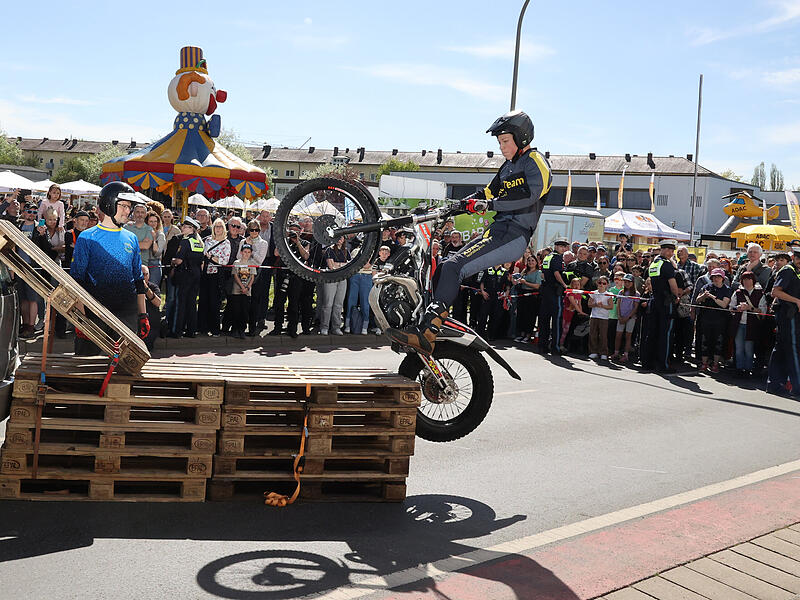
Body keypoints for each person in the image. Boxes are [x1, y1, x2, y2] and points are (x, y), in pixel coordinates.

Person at [389, 110, 551, 354]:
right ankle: (419, 326)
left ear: (522, 137)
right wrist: (456, 206)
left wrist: (491, 205)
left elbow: (530, 195)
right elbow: (485, 193)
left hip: (514, 234)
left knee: (456, 266)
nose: (502, 147)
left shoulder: (535, 161)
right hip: (497, 230)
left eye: (505, 141)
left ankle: (428, 331)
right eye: (499, 143)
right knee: (444, 267)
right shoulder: (507, 167)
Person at [70, 182, 149, 354]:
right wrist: (81, 318)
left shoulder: (132, 238)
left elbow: (138, 279)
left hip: (126, 315)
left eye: (130, 207)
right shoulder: (87, 237)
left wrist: (143, 315)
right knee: (88, 372)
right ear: (109, 204)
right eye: (125, 206)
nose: (129, 211)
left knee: (123, 373)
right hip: (95, 315)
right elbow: (76, 280)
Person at [639, 239, 680, 373]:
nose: (669, 252)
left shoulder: (654, 264)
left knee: (652, 333)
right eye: (667, 249)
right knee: (665, 334)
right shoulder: (667, 265)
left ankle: (648, 362)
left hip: (655, 300)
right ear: (661, 249)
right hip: (665, 302)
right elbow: (673, 285)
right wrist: (676, 297)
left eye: (671, 250)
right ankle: (664, 365)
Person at [766, 244, 800, 398]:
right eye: (798, 258)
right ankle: (797, 387)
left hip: (792, 316)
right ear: (794, 258)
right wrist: (797, 301)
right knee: (793, 350)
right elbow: (775, 292)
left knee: (780, 349)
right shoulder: (788, 271)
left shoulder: (796, 272)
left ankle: (774, 384)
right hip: (788, 315)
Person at [169, 217, 204, 339]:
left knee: (181, 303)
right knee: (192, 303)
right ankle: (191, 330)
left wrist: (172, 260)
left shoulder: (185, 241)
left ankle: (177, 331)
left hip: (185, 274)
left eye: (185, 226)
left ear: (192, 229)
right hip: (196, 274)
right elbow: (201, 261)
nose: (182, 228)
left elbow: (179, 260)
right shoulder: (199, 242)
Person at [198, 218, 231, 336]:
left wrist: (211, 257)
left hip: (217, 276)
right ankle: (202, 328)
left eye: (221, 226)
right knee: (203, 301)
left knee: (214, 303)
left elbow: (224, 261)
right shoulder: (207, 240)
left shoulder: (226, 242)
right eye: (216, 226)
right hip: (205, 274)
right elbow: (203, 256)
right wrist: (212, 258)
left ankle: (215, 329)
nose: (218, 229)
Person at [730, 271, 767, 377]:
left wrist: (749, 308)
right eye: (744, 279)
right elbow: (731, 308)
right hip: (739, 324)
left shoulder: (759, 293)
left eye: (749, 279)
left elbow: (762, 311)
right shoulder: (737, 292)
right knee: (739, 348)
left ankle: (748, 369)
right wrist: (737, 308)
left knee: (749, 349)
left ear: (753, 280)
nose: (746, 282)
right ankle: (739, 368)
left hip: (752, 325)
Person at [696, 268, 733, 373]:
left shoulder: (727, 289)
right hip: (706, 318)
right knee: (705, 341)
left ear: (722, 278)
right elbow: (697, 300)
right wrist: (703, 296)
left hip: (720, 320)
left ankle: (715, 364)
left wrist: (712, 297)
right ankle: (704, 363)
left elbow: (724, 304)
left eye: (718, 277)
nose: (716, 279)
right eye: (714, 277)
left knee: (718, 342)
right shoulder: (706, 287)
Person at [238, 219, 269, 335]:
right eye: (252, 230)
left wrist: (251, 249)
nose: (254, 232)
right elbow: (238, 256)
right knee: (242, 301)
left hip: (256, 274)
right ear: (248, 230)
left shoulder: (263, 243)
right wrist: (246, 248)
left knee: (254, 301)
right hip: (243, 273)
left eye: (256, 230)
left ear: (259, 231)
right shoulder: (243, 241)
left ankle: (252, 329)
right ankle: (240, 328)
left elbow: (259, 260)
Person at [538, 239, 569, 353]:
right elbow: (556, 273)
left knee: (544, 319)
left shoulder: (547, 257)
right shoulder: (556, 257)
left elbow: (542, 274)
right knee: (556, 320)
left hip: (546, 290)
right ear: (556, 246)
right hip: (554, 291)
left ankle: (542, 346)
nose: (563, 249)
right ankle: (555, 347)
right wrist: (564, 285)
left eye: (564, 247)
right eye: (561, 246)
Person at [319, 236, 350, 335]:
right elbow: (331, 266)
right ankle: (324, 327)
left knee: (339, 304)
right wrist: (342, 265)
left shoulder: (346, 250)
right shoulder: (329, 249)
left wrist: (339, 265)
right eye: (338, 238)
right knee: (328, 304)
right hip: (331, 279)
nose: (340, 240)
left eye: (342, 238)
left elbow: (349, 264)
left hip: (342, 279)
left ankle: (336, 327)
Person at [230, 243, 256, 339]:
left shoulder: (252, 264)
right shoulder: (237, 263)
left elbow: (252, 277)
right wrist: (241, 286)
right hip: (237, 291)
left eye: (248, 252)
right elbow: (236, 276)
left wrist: (247, 288)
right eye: (245, 252)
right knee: (236, 311)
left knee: (244, 312)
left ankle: (242, 330)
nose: (246, 254)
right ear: (241, 252)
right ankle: (235, 329)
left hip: (247, 292)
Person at [612, 273, 640, 363]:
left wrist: (628, 317)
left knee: (628, 336)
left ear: (632, 283)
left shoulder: (636, 293)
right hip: (621, 316)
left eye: (629, 282)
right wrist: (620, 316)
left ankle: (626, 355)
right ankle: (616, 353)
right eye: (625, 282)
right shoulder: (621, 292)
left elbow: (635, 307)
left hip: (630, 318)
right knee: (618, 335)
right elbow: (619, 305)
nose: (627, 284)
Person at [514, 254, 541, 343]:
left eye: (533, 260)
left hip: (532, 297)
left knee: (530, 316)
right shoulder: (524, 271)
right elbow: (519, 281)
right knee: (521, 315)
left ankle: (528, 335)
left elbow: (537, 286)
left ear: (536, 262)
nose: (531, 262)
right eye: (529, 261)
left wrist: (525, 282)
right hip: (522, 295)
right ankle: (521, 334)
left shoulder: (538, 272)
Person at [587, 276, 613, 360]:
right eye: (600, 283)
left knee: (603, 336)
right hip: (594, 316)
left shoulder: (608, 295)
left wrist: (603, 306)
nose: (601, 285)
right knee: (593, 335)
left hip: (604, 318)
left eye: (604, 283)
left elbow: (611, 306)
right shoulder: (593, 293)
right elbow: (589, 304)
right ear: (597, 283)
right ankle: (593, 351)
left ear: (607, 285)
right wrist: (595, 304)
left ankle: (603, 352)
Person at [141, 265, 162, 352]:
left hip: (151, 323)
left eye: (146, 274)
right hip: (137, 321)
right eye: (142, 274)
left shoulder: (153, 287)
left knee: (148, 346)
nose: (144, 277)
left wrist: (146, 288)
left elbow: (158, 303)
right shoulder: (132, 286)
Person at [145, 211, 165, 286]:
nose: (153, 223)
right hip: (143, 262)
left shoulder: (160, 235)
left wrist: (154, 239)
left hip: (154, 264)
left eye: (155, 221)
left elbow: (157, 253)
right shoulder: (142, 232)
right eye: (151, 221)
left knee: (152, 289)